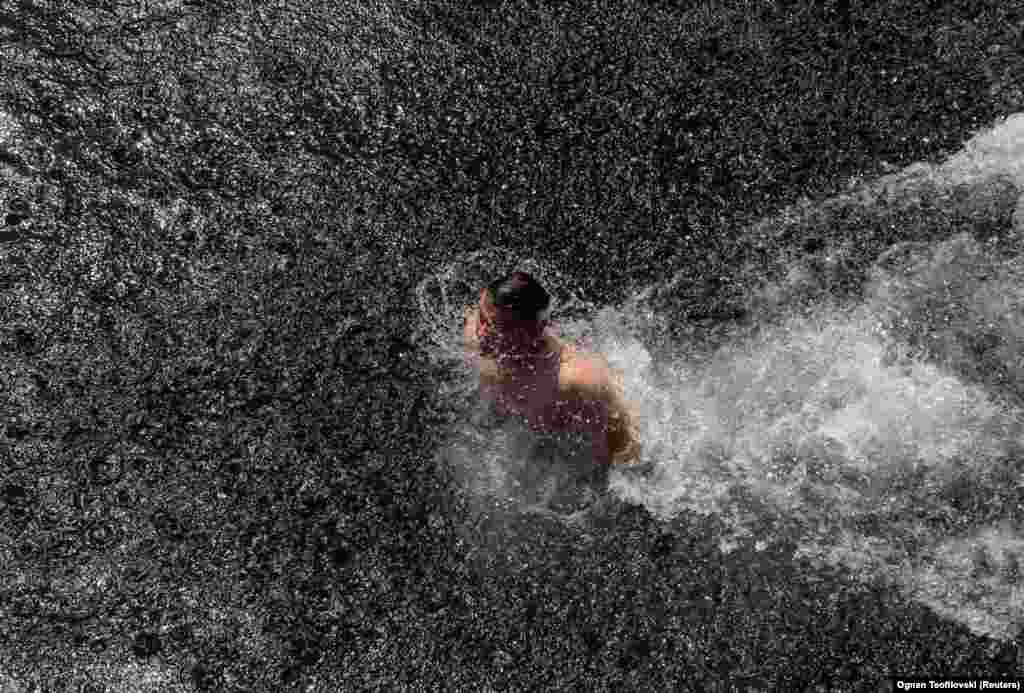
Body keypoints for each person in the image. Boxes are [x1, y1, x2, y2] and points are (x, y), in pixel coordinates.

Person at [462, 271, 643, 472]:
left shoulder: (576, 379)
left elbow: (627, 445)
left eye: (496, 327)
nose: (481, 333)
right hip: (525, 426)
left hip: (571, 440)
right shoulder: (477, 332)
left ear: (531, 333)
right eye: (481, 318)